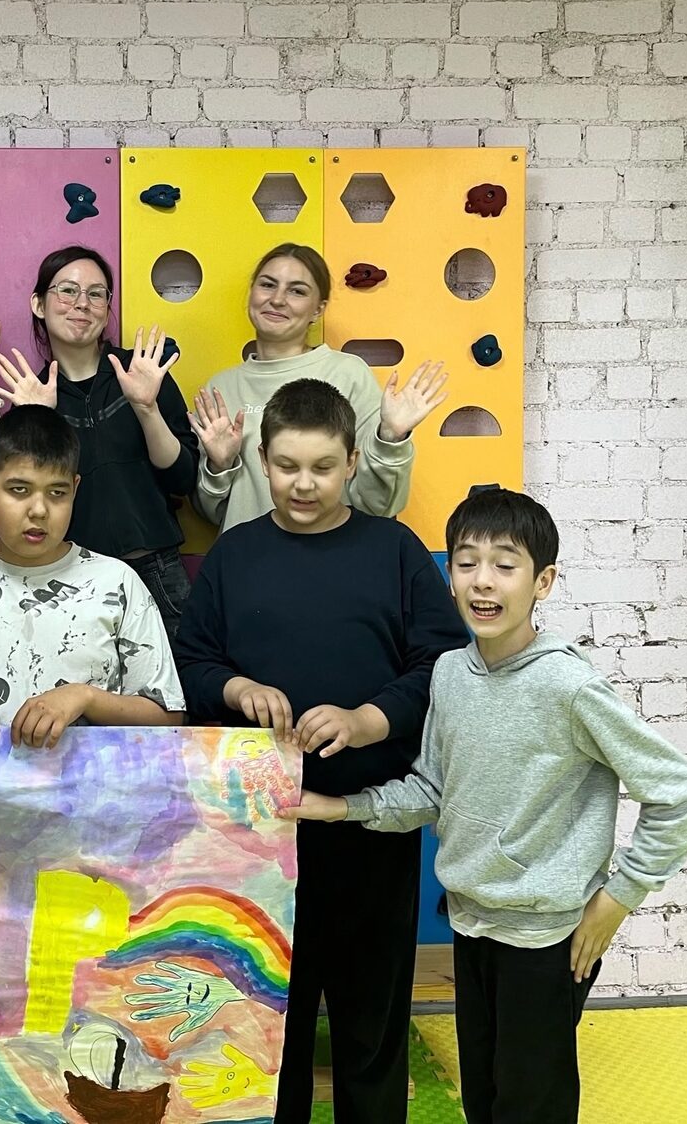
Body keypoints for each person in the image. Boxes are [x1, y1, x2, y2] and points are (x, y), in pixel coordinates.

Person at [284, 487, 687, 1124]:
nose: (482, 581)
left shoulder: (567, 684)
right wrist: (340, 808)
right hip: (472, 921)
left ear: (543, 582)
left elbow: (680, 792)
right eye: (466, 562)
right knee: (483, 1098)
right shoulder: (451, 673)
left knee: (530, 1106)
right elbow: (432, 790)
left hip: (547, 936)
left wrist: (618, 900)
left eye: (505, 565)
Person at [175, 379, 468, 1124]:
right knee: (271, 1023)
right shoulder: (234, 555)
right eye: (286, 466)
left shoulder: (394, 551)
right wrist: (238, 687)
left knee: (372, 1020)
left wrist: (370, 719)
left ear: (353, 463)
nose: (303, 484)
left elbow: (443, 664)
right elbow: (191, 664)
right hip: (257, 834)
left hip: (371, 825)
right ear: (260, 461)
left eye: (322, 467)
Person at [0, 405, 183, 747]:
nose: (38, 510)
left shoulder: (117, 583)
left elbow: (168, 716)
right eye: (19, 490)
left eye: (57, 493)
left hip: (90, 780)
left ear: (75, 489)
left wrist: (86, 698)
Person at [0, 246, 199, 640]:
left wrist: (147, 408)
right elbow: (29, 503)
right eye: (67, 291)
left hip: (157, 573)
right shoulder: (32, 395)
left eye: (96, 293)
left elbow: (182, 479)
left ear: (107, 308)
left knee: (181, 679)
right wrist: (39, 419)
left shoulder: (142, 372)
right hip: (70, 579)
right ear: (39, 304)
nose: (82, 304)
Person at [189, 243, 449, 532]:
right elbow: (212, 512)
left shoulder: (348, 374)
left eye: (297, 291)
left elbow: (379, 505)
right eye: (268, 285)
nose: (277, 299)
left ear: (318, 309)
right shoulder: (221, 388)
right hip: (248, 558)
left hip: (334, 556)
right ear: (252, 292)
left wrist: (391, 438)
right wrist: (220, 465)